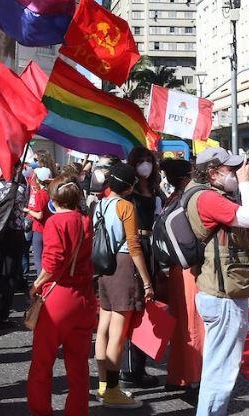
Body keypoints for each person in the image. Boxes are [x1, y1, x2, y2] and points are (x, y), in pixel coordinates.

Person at [189, 147, 249, 416]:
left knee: (217, 364)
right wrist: (245, 183)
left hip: (217, 289)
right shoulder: (209, 199)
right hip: (222, 294)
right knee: (221, 369)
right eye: (230, 169)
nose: (236, 173)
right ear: (212, 172)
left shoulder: (204, 194)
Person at [27, 179, 96, 416]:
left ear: (54, 200)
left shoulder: (55, 221)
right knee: (78, 364)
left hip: (60, 297)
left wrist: (36, 284)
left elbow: (53, 262)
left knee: (42, 361)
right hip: (84, 296)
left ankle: (41, 410)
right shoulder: (85, 220)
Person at [93, 162, 153, 407]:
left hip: (103, 267)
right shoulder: (125, 206)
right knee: (118, 333)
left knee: (103, 328)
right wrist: (147, 281)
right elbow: (134, 245)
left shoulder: (100, 204)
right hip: (123, 266)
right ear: (129, 186)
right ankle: (114, 391)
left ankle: (103, 384)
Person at [121, 146, 164, 388]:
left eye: (149, 160)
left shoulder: (155, 189)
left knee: (148, 307)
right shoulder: (129, 192)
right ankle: (129, 371)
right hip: (136, 247)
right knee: (134, 306)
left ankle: (140, 367)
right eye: (141, 161)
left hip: (152, 248)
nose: (146, 165)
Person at [160, 159, 203, 393]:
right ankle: (194, 376)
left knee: (179, 324)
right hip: (190, 269)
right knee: (193, 323)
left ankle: (177, 375)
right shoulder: (189, 200)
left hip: (176, 269)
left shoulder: (172, 199)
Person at [0, 171, 28, 324]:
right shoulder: (21, 189)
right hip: (15, 233)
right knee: (10, 274)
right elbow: (24, 206)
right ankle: (4, 313)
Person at [27, 167, 54, 273]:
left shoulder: (40, 194)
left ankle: (41, 286)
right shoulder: (51, 192)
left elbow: (39, 215)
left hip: (39, 229)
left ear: (38, 179)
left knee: (38, 260)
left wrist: (27, 210)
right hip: (50, 229)